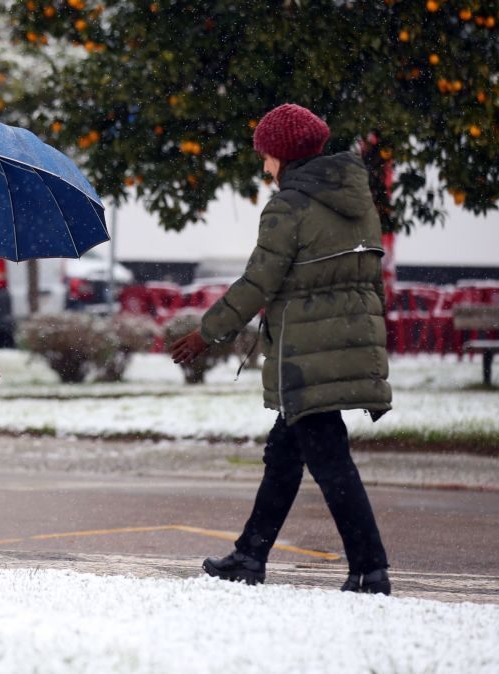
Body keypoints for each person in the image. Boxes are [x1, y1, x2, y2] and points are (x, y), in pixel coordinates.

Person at [171, 103, 392, 595]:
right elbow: (364, 279)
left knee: (329, 458)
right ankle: (250, 555)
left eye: (266, 155)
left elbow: (258, 283)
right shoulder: (355, 200)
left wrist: (205, 333)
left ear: (283, 154)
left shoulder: (290, 206)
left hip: (307, 352)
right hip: (344, 341)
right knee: (285, 454)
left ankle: (370, 570)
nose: (264, 165)